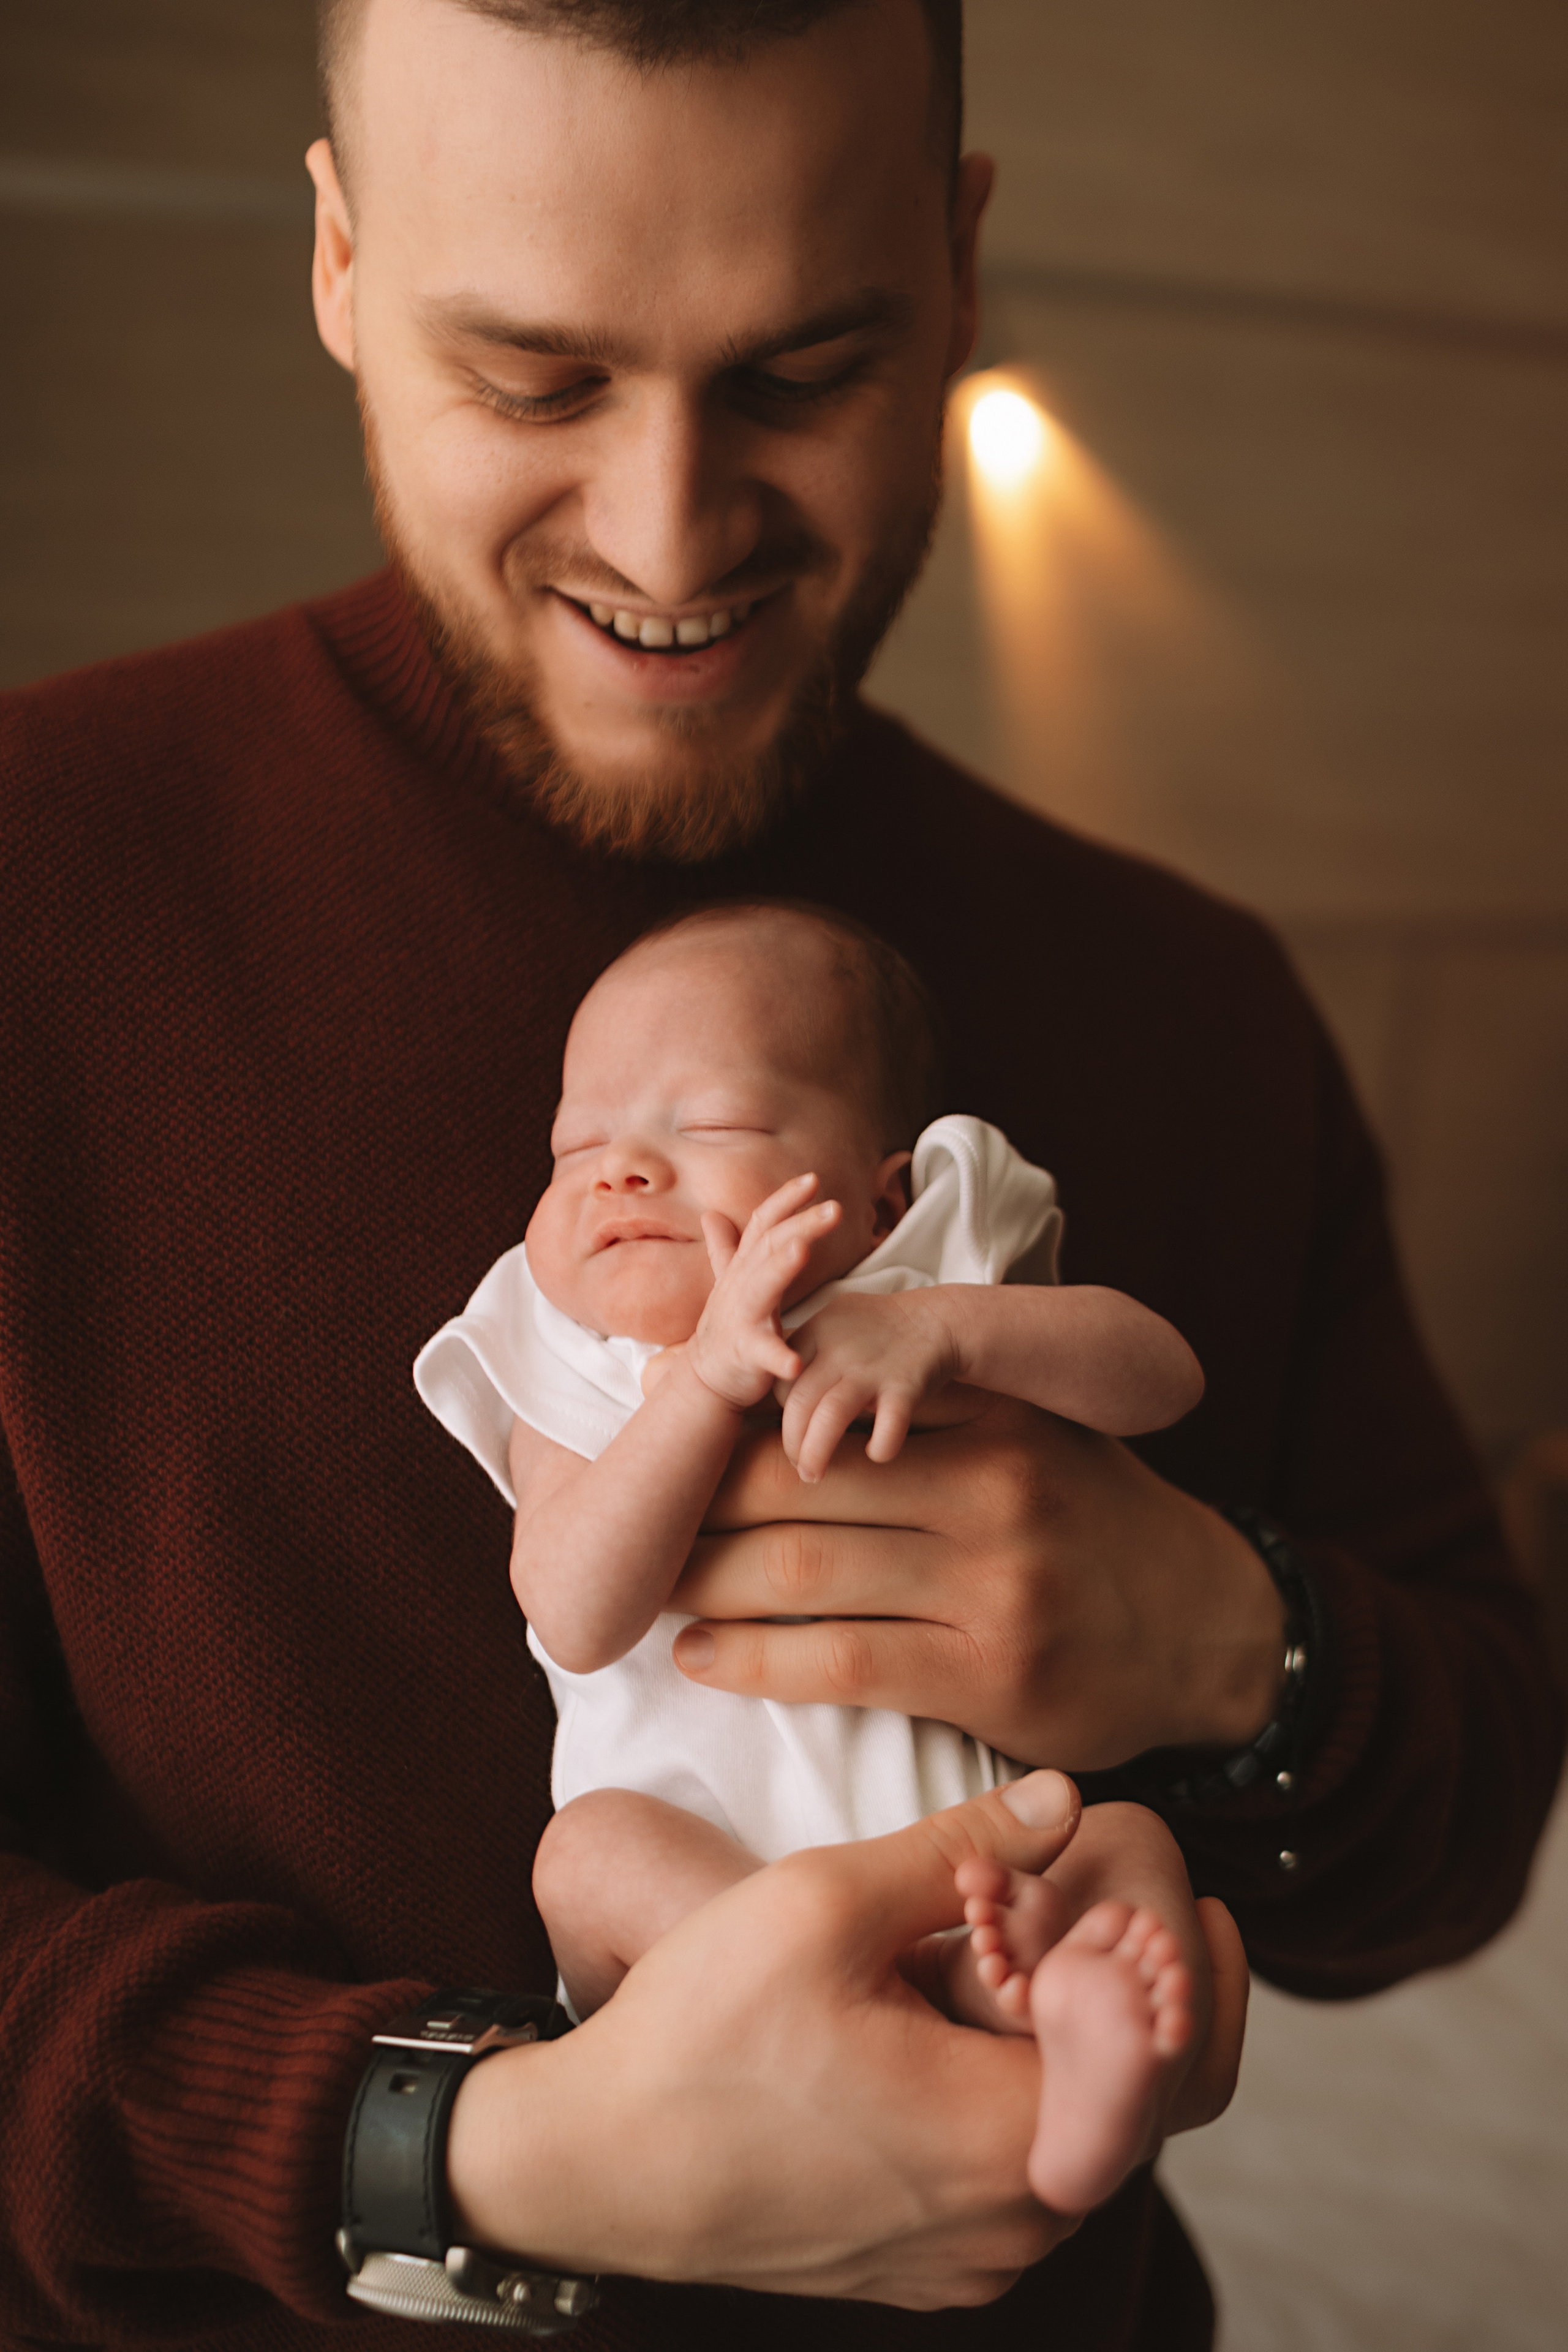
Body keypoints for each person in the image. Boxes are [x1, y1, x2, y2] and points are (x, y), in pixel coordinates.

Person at [0, 0, 1558, 2346]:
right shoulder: (36, 899)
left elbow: (1459, 1825)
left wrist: (1224, 1647)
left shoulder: (1191, 999)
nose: (667, 538)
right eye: (533, 381)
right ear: (337, 260)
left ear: (954, 266)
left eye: (805, 369)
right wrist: (457, 2150)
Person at [417, 899, 1218, 2217]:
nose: (619, 1171)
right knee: (586, 1855)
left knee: (1124, 1839)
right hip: (706, 1924)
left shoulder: (923, 1273)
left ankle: (1078, 2065)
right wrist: (704, 1382)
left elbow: (1161, 1380)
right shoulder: (569, 1352)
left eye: (710, 1128)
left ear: (879, 1195)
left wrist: (955, 1333)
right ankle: (912, 2006)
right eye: (577, 1146)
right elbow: (570, 1610)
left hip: (978, 1876)